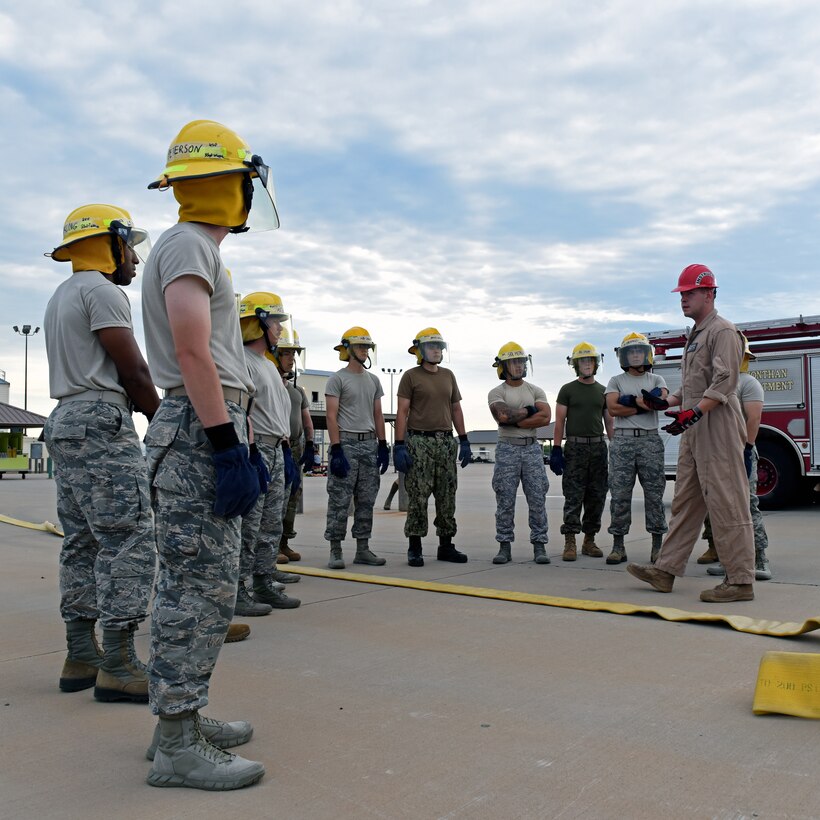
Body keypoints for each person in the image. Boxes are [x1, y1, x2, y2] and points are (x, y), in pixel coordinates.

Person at [141, 119, 279, 790]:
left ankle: (182, 720)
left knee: (202, 586)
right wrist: (225, 445)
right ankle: (175, 744)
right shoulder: (190, 246)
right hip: (201, 429)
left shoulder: (192, 246)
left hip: (209, 423)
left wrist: (236, 439)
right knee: (196, 588)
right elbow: (193, 348)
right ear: (231, 188)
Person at [44, 204, 160, 703]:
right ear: (109, 244)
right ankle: (118, 661)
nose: (134, 257)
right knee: (129, 537)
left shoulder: (62, 294)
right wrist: (162, 418)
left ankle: (80, 653)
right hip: (101, 423)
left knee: (83, 540)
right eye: (129, 245)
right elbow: (131, 369)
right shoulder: (102, 291)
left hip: (67, 421)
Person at [628, 264, 755, 603]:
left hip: (717, 427)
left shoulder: (723, 332)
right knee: (685, 502)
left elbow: (725, 383)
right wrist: (662, 401)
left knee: (728, 502)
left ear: (709, 294)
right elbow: (689, 389)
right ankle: (665, 570)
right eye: (682, 293)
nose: (683, 298)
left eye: (690, 293)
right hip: (696, 427)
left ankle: (740, 581)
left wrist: (694, 412)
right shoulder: (695, 336)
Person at [235, 292, 302, 616]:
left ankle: (263, 579)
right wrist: (250, 451)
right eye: (275, 321)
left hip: (277, 448)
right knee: (251, 523)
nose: (278, 328)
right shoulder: (242, 361)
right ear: (258, 322)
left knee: (270, 522)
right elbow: (242, 409)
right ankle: (239, 589)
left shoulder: (268, 366)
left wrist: (286, 449)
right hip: (258, 447)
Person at [394, 328, 472, 567]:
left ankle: (446, 545)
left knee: (447, 494)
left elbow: (456, 409)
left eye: (440, 346)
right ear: (420, 350)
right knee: (418, 495)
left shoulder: (448, 375)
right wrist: (399, 445)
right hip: (420, 441)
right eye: (431, 346)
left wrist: (464, 439)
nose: (437, 350)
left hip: (446, 441)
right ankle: (414, 546)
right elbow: (402, 411)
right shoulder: (410, 376)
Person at [704, 335, 772, 580]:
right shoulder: (716, 384)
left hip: (740, 451)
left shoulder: (748, 383)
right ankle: (729, 559)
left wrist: (747, 448)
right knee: (722, 507)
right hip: (718, 453)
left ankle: (760, 558)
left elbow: (754, 418)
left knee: (747, 504)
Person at [324, 327, 390, 568]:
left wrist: (383, 444)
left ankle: (362, 548)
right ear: (348, 349)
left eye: (367, 347)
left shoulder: (374, 380)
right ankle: (335, 549)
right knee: (340, 499)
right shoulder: (337, 379)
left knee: (366, 498)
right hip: (346, 443)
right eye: (361, 346)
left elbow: (378, 414)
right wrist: (337, 448)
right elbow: (331, 416)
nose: (365, 350)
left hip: (369, 443)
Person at [604, 333, 668, 565]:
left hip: (650, 441)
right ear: (624, 356)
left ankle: (657, 546)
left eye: (638, 351)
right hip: (622, 441)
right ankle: (618, 546)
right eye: (630, 352)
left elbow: (660, 402)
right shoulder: (615, 380)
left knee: (654, 495)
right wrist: (643, 404)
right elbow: (612, 409)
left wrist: (628, 401)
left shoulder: (657, 379)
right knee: (620, 495)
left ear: (646, 354)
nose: (635, 355)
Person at [487, 342, 552, 564]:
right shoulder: (497, 392)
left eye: (521, 361)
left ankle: (539, 545)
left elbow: (545, 417)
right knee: (505, 498)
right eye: (514, 362)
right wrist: (529, 410)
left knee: (537, 497)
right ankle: (504, 546)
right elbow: (502, 417)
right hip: (507, 448)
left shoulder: (535, 390)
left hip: (532, 447)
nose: (518, 366)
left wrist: (519, 420)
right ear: (503, 366)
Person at [549, 342, 613, 561]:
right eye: (583, 361)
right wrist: (556, 448)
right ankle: (570, 541)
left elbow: (609, 422)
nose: (587, 364)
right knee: (573, 495)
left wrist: (615, 448)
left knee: (597, 495)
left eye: (590, 361)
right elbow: (559, 422)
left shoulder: (603, 391)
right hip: (575, 448)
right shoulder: (567, 390)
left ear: (596, 364)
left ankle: (589, 540)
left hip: (597, 447)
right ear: (576, 365)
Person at [272, 329, 314, 563]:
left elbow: (305, 417)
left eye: (294, 354)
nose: (291, 358)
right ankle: (272, 545)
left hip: (296, 447)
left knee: (292, 496)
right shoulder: (270, 384)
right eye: (286, 353)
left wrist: (310, 443)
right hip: (279, 445)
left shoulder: (297, 390)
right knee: (276, 496)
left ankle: (284, 542)